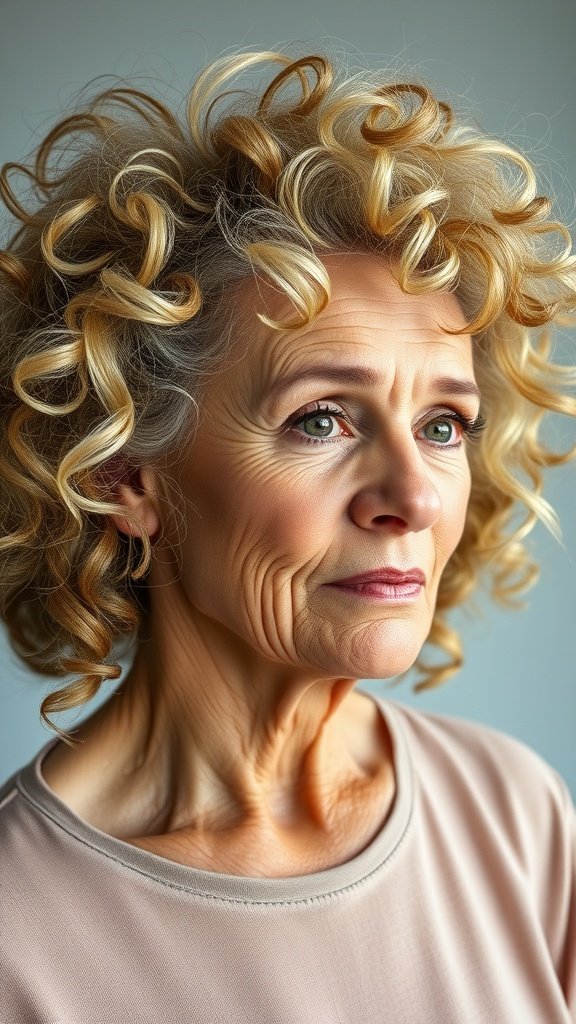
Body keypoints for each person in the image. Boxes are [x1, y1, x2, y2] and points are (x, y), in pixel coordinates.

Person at [0, 47, 574, 1023]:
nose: (415, 497)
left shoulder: (517, 816)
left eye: (443, 425)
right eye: (323, 418)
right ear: (123, 474)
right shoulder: (16, 931)